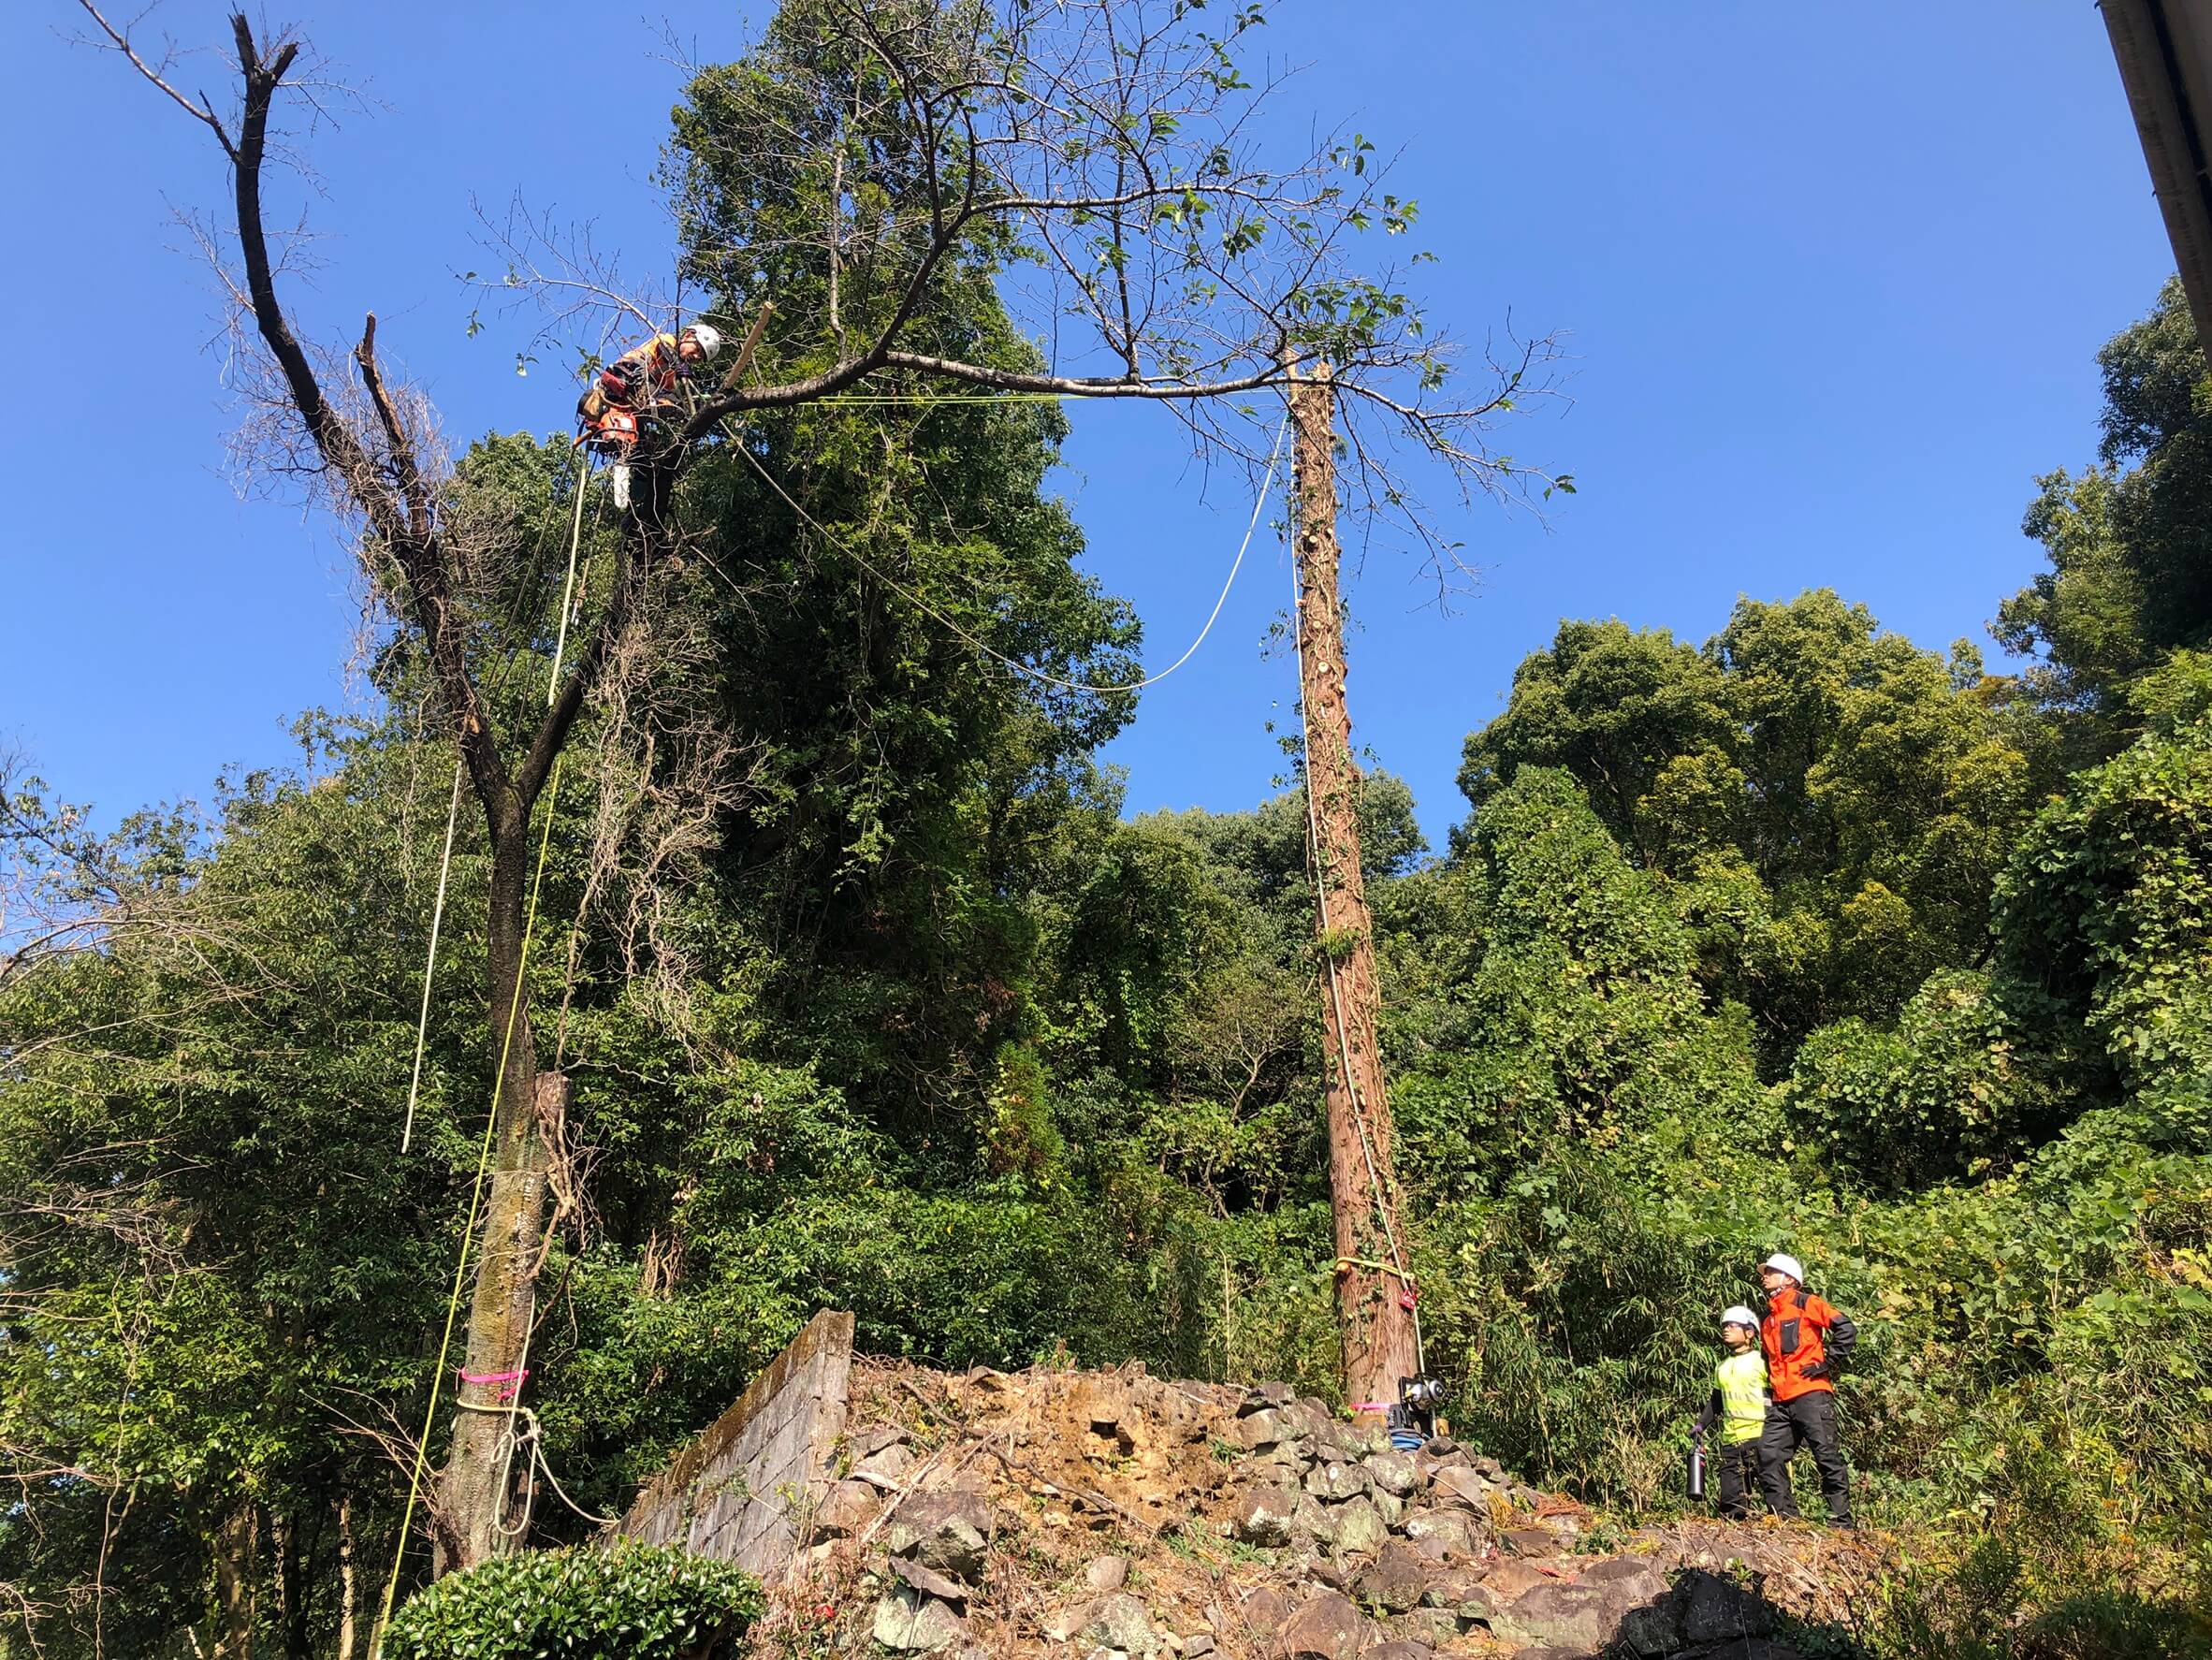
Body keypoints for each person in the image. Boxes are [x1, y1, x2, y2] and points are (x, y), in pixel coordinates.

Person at [1756, 1251, 1857, 1526]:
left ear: (1789, 1278)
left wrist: (1826, 1363)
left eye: (1770, 1272)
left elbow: (1845, 1328)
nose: (1764, 1277)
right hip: (1780, 1400)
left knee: (1825, 1454)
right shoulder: (1768, 1319)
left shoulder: (1806, 1303)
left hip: (1811, 1394)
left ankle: (1840, 1522)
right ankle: (1784, 1518)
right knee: (1768, 1453)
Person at [575, 323, 724, 508]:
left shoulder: (669, 377)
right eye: (698, 350)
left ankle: (635, 505)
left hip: (635, 403)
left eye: (700, 357)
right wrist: (678, 368)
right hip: (629, 377)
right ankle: (653, 409)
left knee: (645, 452)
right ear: (689, 336)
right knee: (666, 399)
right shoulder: (668, 340)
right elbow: (665, 350)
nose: (695, 357)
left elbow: (668, 393)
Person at [1695, 1305, 1775, 1520]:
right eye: (1724, 1326)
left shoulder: (1762, 1362)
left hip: (1761, 1436)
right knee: (1731, 1502)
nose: (1726, 1330)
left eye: (1733, 1326)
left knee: (1775, 1494)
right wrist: (1701, 1425)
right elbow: (1716, 1401)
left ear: (1749, 1333)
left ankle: (1785, 1533)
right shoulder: (1722, 1366)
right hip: (1731, 1440)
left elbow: (1778, 1396)